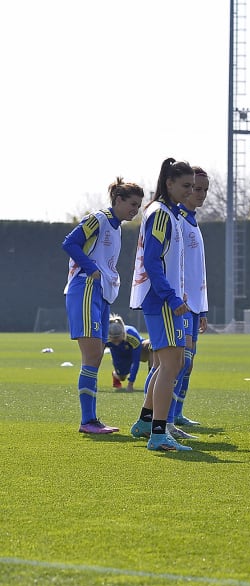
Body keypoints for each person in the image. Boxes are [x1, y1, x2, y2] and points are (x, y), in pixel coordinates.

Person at [61, 177, 144, 434]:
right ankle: (88, 421)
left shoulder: (116, 227)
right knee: (93, 355)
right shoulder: (99, 218)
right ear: (117, 200)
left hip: (101, 294)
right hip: (85, 288)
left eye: (139, 205)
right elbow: (69, 242)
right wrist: (90, 269)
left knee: (95, 357)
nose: (136, 210)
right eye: (132, 204)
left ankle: (91, 420)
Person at [127, 159, 195, 452]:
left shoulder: (170, 214)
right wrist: (171, 296)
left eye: (192, 186)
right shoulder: (161, 214)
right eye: (185, 185)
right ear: (169, 183)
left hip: (167, 299)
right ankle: (158, 433)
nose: (190, 191)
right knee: (171, 365)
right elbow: (152, 261)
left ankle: (146, 422)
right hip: (162, 301)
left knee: (170, 364)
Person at [164, 165, 211, 437]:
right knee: (173, 363)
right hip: (179, 303)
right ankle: (157, 418)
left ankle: (175, 415)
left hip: (194, 304)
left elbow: (197, 270)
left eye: (204, 189)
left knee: (186, 363)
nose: (201, 194)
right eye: (196, 188)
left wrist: (202, 307)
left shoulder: (192, 220)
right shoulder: (177, 219)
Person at [106, 315, 149, 393]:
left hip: (137, 350)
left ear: (123, 334)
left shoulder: (132, 336)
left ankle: (152, 382)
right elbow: (96, 355)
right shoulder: (105, 338)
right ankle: (115, 375)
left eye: (118, 339)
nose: (116, 343)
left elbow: (136, 362)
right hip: (118, 352)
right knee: (122, 377)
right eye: (113, 340)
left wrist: (130, 384)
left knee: (150, 346)